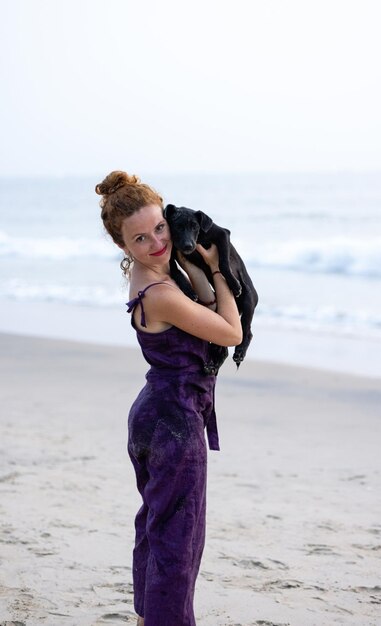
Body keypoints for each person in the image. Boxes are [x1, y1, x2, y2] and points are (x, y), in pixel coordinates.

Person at [95, 171, 242, 626]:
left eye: (160, 228)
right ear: (124, 248)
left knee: (157, 528)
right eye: (140, 238)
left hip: (155, 415)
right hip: (173, 424)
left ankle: (147, 619)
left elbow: (202, 304)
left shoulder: (154, 274)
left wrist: (193, 257)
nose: (156, 242)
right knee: (179, 541)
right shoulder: (159, 293)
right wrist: (218, 267)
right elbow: (231, 330)